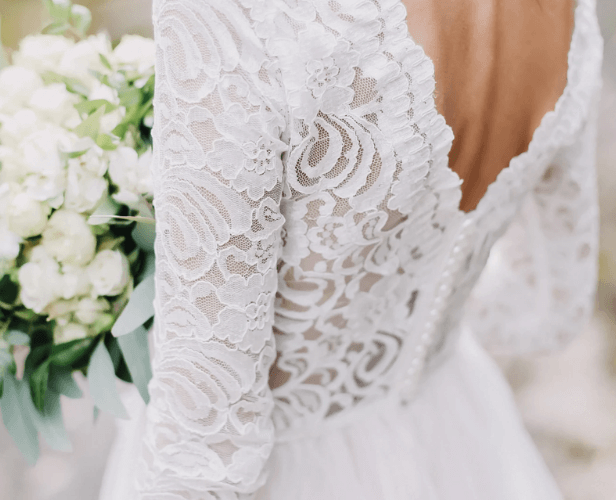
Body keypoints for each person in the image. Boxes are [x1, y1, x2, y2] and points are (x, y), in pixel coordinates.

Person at [100, 0, 604, 498]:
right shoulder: (569, 8)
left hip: (294, 472)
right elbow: (543, 307)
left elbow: (206, 448)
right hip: (454, 435)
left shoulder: (233, 11)